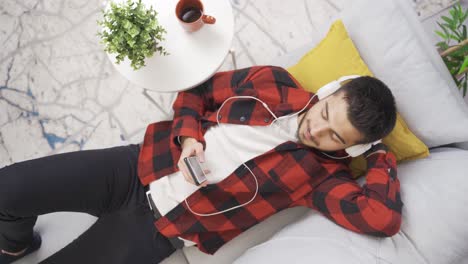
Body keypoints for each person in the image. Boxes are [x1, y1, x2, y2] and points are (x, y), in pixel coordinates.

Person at [0, 65, 402, 264]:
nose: (318, 130)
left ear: (350, 150)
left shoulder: (323, 178)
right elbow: (199, 89)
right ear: (329, 92)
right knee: (8, 189)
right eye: (326, 112)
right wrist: (190, 136)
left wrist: (379, 154)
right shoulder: (274, 82)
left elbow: (382, 218)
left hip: (156, 231)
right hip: (137, 167)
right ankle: (15, 243)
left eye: (337, 137)